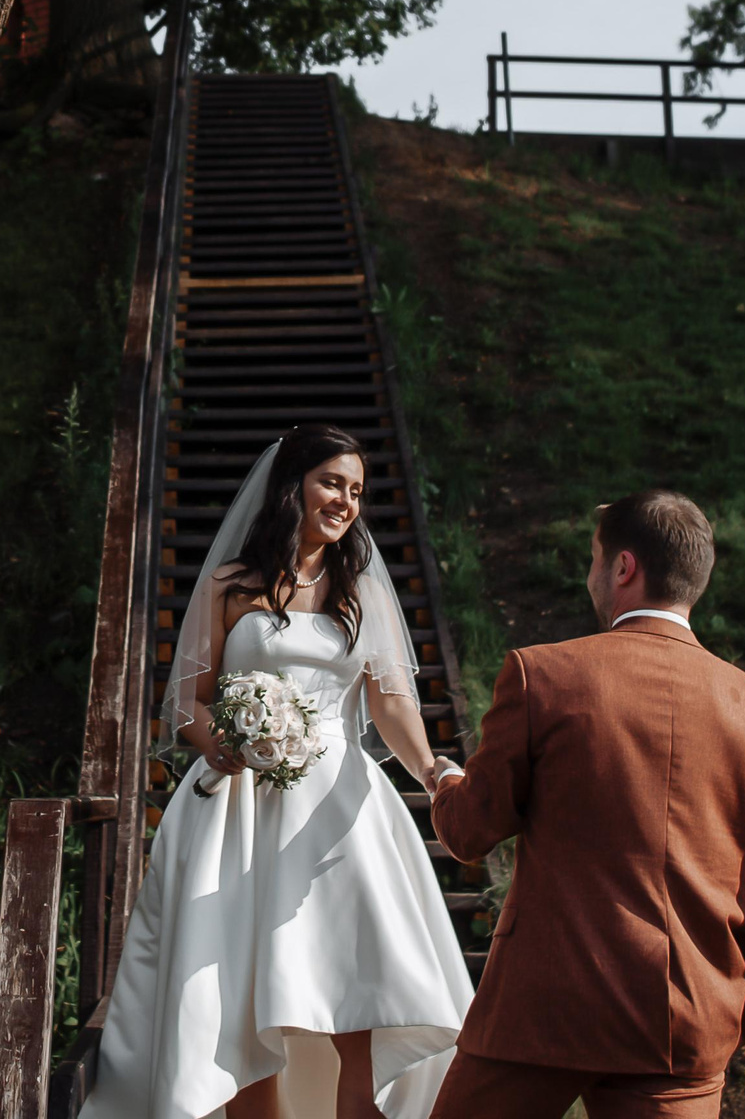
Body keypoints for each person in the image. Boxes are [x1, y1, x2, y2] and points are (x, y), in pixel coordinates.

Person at [426, 489, 745, 1119]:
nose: (591, 576)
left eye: (594, 558)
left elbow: (470, 833)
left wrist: (444, 780)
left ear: (624, 568)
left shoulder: (541, 677)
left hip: (540, 1013)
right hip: (684, 1024)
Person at [86, 425, 475, 1119]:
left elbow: (390, 703)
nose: (346, 501)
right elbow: (186, 702)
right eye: (332, 482)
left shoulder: (361, 593)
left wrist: (431, 769)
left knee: (358, 959)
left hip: (338, 801)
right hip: (238, 803)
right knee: (232, 974)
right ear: (292, 485)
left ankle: (360, 1104)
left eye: (356, 490)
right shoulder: (231, 584)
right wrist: (220, 743)